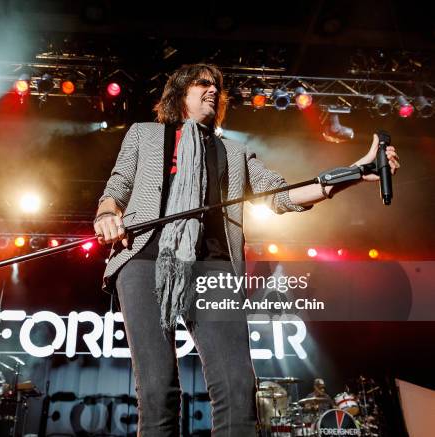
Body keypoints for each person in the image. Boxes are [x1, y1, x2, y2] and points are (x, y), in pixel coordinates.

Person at [94, 64, 400, 436]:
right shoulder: (144, 134)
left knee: (238, 389)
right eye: (202, 83)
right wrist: (108, 212)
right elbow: (119, 183)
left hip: (214, 267)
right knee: (159, 391)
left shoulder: (233, 151)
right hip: (144, 258)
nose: (212, 90)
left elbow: (281, 195)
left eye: (216, 86)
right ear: (178, 92)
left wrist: (353, 173)